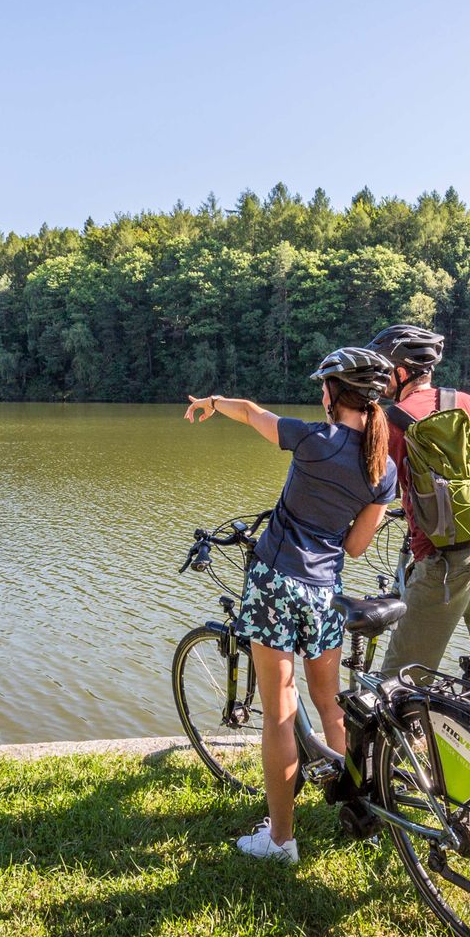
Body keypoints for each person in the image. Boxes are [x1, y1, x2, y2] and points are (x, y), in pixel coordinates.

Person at [183, 348, 398, 863]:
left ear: (332, 395)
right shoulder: (383, 468)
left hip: (276, 581)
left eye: (323, 388)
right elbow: (356, 547)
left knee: (279, 711)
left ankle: (280, 839)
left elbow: (253, 413)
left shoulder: (312, 440)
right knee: (329, 705)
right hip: (325, 591)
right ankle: (357, 805)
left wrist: (213, 402)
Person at [367, 324, 470, 669]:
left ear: (401, 372)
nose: (380, 379)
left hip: (443, 560)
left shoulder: (391, 421)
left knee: (401, 682)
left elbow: (372, 493)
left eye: (384, 370)